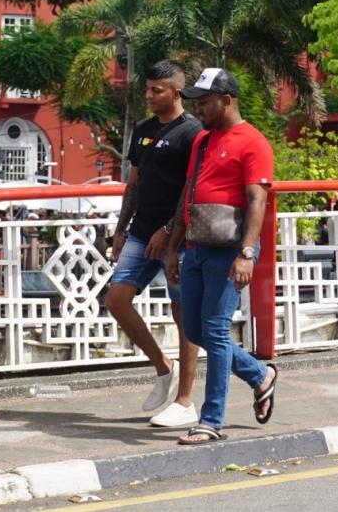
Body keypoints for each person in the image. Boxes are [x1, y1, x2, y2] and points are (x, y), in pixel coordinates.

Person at [165, 67, 277, 445]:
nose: (197, 108)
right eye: (195, 101)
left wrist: (246, 253)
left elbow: (257, 200)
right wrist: (173, 247)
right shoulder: (202, 140)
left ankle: (211, 421)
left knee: (214, 331)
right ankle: (260, 375)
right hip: (197, 243)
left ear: (226, 101)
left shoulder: (254, 142)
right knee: (195, 331)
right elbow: (188, 192)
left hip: (230, 249)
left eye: (205, 102)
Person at [106, 60, 202, 428]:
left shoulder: (192, 132)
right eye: (147, 89)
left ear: (176, 93)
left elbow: (192, 190)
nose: (148, 95)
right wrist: (120, 228)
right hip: (141, 232)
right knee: (116, 300)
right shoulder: (143, 129)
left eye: (156, 90)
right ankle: (164, 368)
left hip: (178, 237)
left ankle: (185, 401)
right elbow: (133, 183)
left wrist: (169, 230)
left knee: (184, 315)